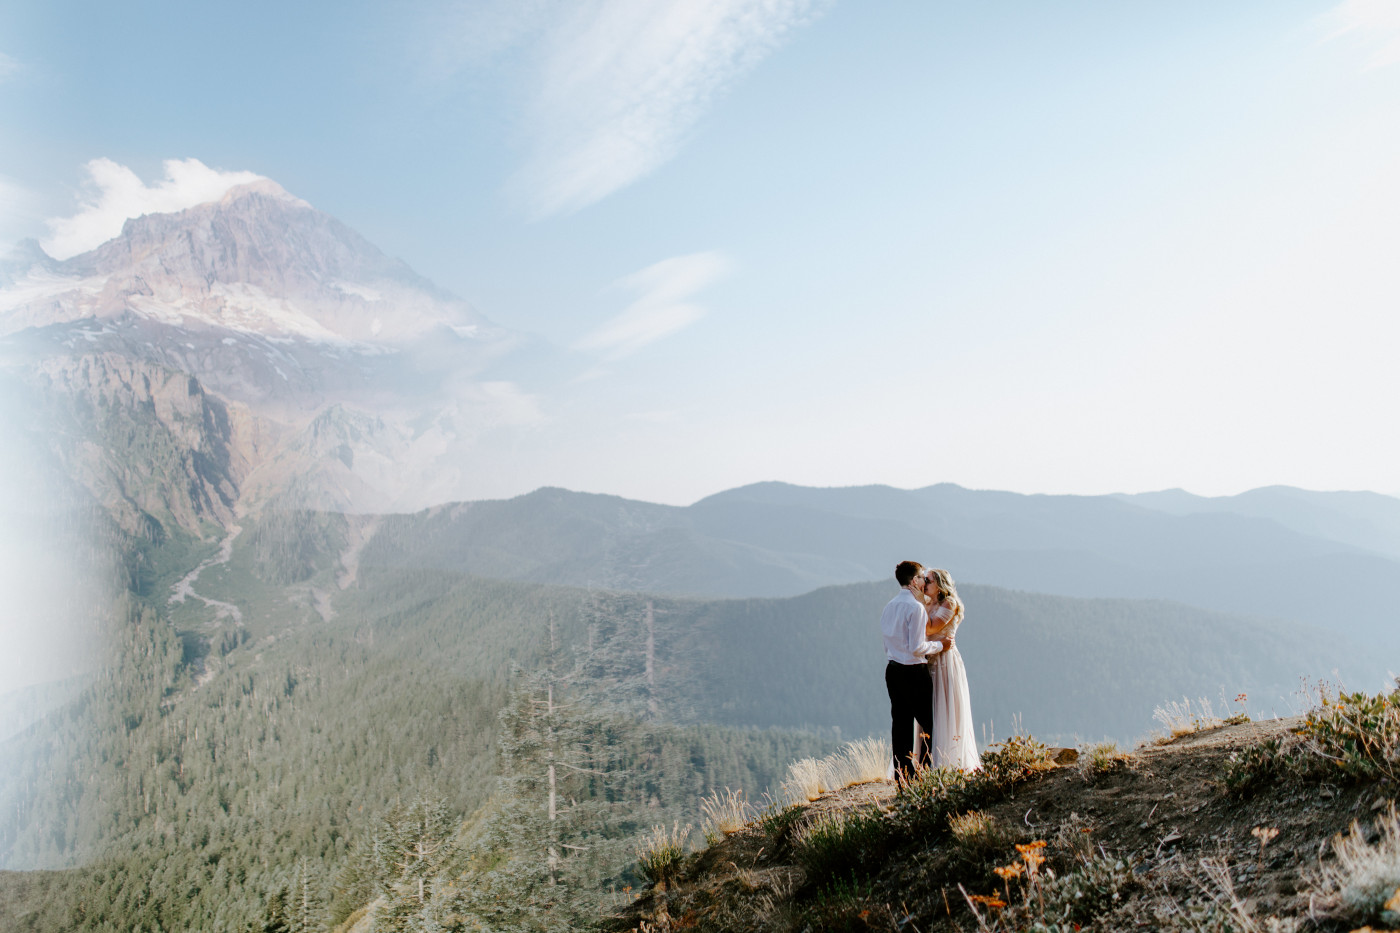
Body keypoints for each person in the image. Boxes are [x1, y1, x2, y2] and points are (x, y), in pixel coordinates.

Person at [881, 561, 953, 782]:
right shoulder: (916, 608)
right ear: (914, 581)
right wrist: (941, 646)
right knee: (928, 724)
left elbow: (887, 642)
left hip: (892, 670)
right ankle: (925, 772)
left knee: (900, 725)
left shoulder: (889, 606)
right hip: (914, 671)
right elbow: (917, 647)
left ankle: (903, 777)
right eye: (922, 577)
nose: (924, 581)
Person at [920, 568, 981, 771]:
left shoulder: (950, 603)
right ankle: (925, 760)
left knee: (945, 707)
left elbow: (931, 628)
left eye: (928, 580)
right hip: (929, 660)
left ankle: (947, 761)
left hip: (945, 662)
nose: (924, 583)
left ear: (939, 584)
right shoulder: (928, 604)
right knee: (928, 710)